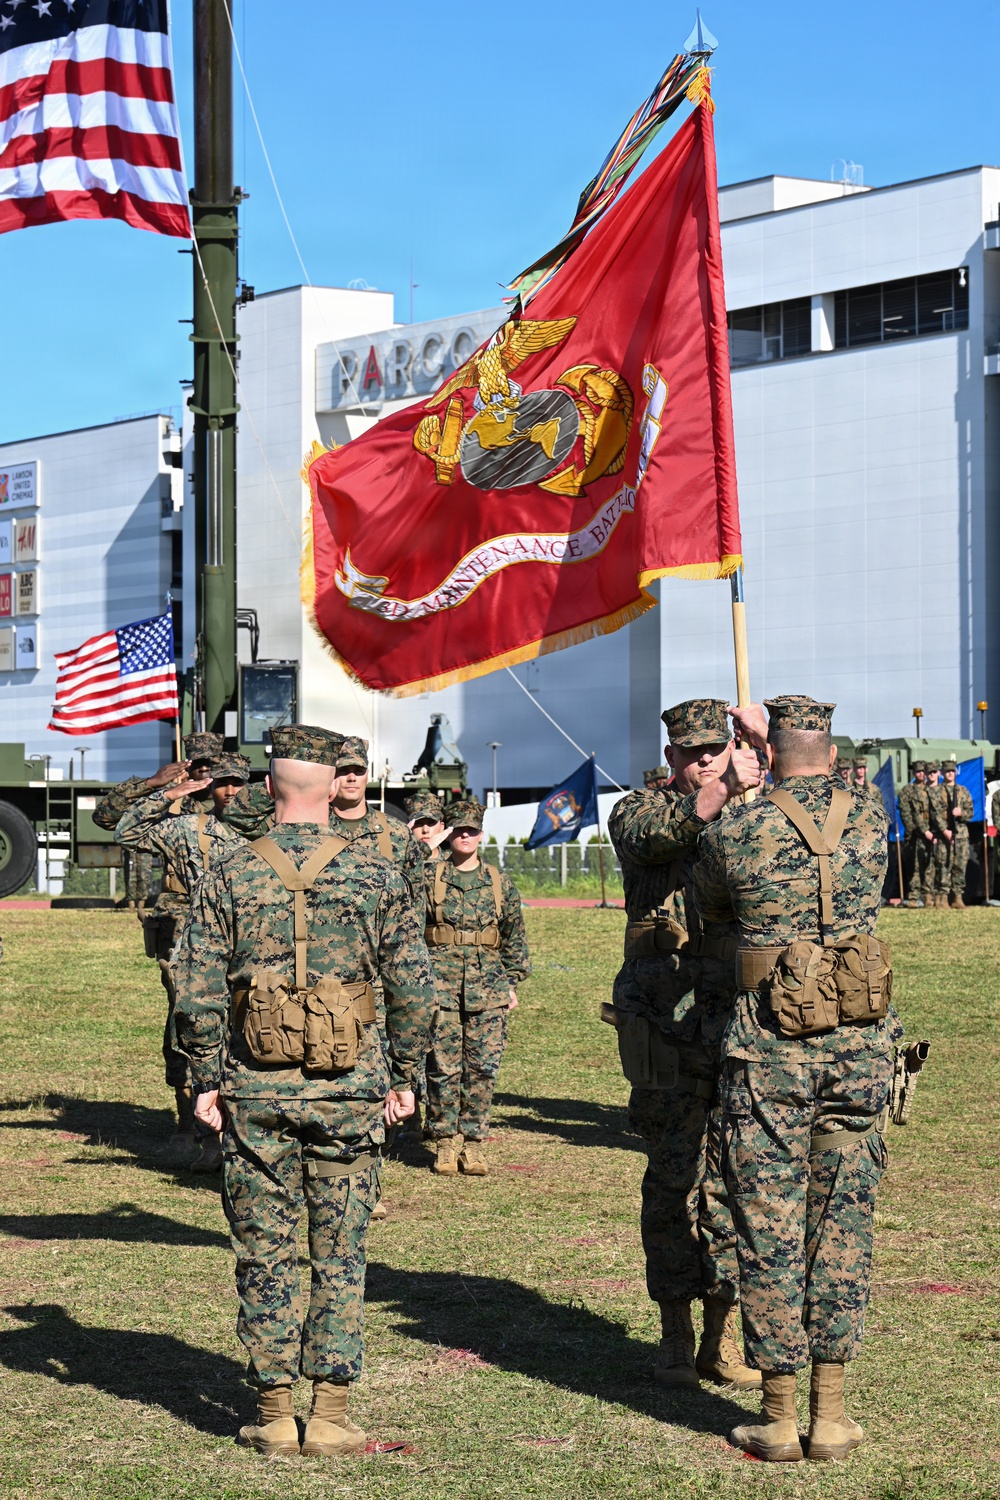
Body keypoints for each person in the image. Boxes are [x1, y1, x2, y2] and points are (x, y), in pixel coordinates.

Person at [172, 725, 435, 1457]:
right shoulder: (378, 872)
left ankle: (272, 1411)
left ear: (268, 788)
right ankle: (331, 1414)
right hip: (349, 1087)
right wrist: (405, 1076)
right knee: (341, 1248)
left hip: (254, 1088)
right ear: (332, 786)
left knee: (265, 1249)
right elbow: (414, 986)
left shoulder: (228, 870)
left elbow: (196, 987)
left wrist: (205, 1077)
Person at [694, 695, 901, 1465]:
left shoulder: (741, 827)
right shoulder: (872, 816)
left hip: (770, 1051)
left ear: (767, 750)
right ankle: (832, 1416)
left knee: (768, 1223)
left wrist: (751, 779)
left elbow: (711, 902)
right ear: (833, 751)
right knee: (842, 1223)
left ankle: (778, 1419)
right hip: (859, 1046)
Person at [607, 699, 764, 1391]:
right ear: (670, 755)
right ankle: (674, 1332)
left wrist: (767, 756)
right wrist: (721, 790)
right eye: (690, 751)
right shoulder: (640, 809)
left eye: (715, 748)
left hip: (734, 1016)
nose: (703, 759)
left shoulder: (753, 812)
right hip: (666, 1021)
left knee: (734, 1178)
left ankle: (719, 1337)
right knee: (674, 1179)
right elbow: (660, 837)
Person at [115, 752, 251, 1169]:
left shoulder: (273, 829)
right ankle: (206, 1134)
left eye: (238, 783)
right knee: (195, 1028)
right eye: (223, 783)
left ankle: (249, 1135)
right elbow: (126, 830)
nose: (231, 791)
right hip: (205, 950)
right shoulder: (191, 830)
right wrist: (167, 793)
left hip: (258, 950)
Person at [423, 798, 529, 1176]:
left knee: (483, 1068)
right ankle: (444, 1142)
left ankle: (473, 1144)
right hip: (440, 987)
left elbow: (515, 938)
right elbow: (408, 926)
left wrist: (511, 982)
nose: (465, 837)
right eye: (459, 830)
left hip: (489, 989)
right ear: (449, 834)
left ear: (481, 834)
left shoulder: (499, 882)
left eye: (472, 830)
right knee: (442, 1067)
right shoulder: (430, 878)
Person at [929, 759, 974, 908]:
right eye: (947, 771)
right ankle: (942, 897)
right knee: (943, 866)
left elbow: (970, 812)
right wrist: (945, 831)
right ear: (942, 773)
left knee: (960, 866)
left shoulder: (963, 791)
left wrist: (961, 813)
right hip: (944, 836)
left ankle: (957, 897)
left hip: (961, 835)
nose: (950, 773)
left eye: (952, 771)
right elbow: (935, 814)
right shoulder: (936, 792)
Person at [897, 762, 929, 906]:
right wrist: (915, 829)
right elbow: (905, 813)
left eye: (923, 771)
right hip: (914, 834)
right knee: (914, 865)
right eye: (918, 771)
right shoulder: (907, 791)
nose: (921, 774)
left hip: (930, 833)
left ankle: (929, 895)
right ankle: (914, 895)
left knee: (930, 865)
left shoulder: (932, 789)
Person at [915, 761, 943, 906]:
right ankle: (927, 897)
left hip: (942, 835)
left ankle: (940, 897)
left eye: (934, 772)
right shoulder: (921, 792)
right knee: (927, 867)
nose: (931, 775)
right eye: (929, 772)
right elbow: (916, 814)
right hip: (925, 835)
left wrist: (943, 832)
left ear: (938, 773)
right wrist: (926, 832)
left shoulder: (944, 791)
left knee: (942, 866)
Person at [404, 790, 451, 863]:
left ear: (441, 827)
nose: (425, 830)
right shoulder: (400, 862)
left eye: (431, 823)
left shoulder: (452, 862)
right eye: (418, 823)